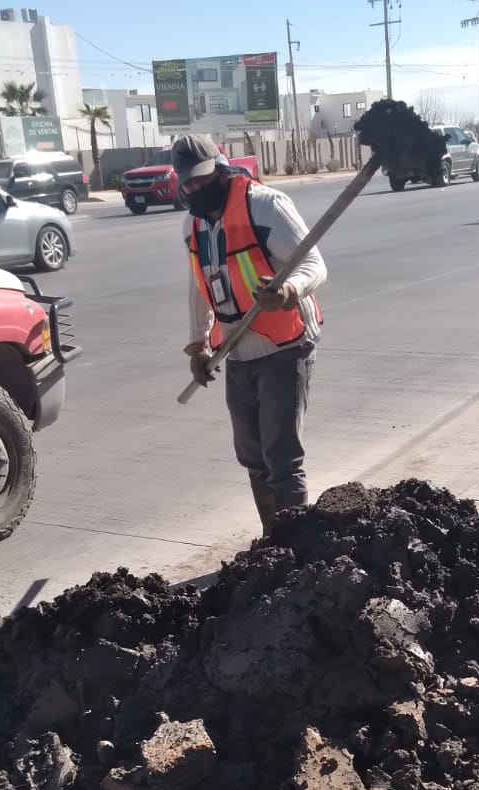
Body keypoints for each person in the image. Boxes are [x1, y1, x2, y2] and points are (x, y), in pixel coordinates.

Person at [177, 133, 327, 536]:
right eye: (187, 183)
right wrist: (199, 342)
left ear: (221, 169)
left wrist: (288, 291)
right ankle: (272, 539)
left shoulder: (265, 205)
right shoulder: (193, 224)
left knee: (281, 455)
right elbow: (199, 286)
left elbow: (314, 263)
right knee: (252, 454)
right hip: (238, 350)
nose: (194, 189)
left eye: (201, 180)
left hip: (285, 343)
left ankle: (295, 552)